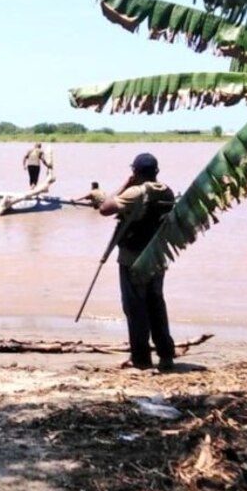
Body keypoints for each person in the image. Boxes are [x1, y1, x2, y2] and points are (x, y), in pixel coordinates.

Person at [98, 153, 177, 371]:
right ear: (156, 172)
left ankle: (141, 359)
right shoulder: (167, 191)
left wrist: (125, 184)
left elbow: (104, 208)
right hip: (158, 258)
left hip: (133, 259)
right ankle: (166, 355)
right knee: (156, 305)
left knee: (135, 308)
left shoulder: (135, 192)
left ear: (136, 172)